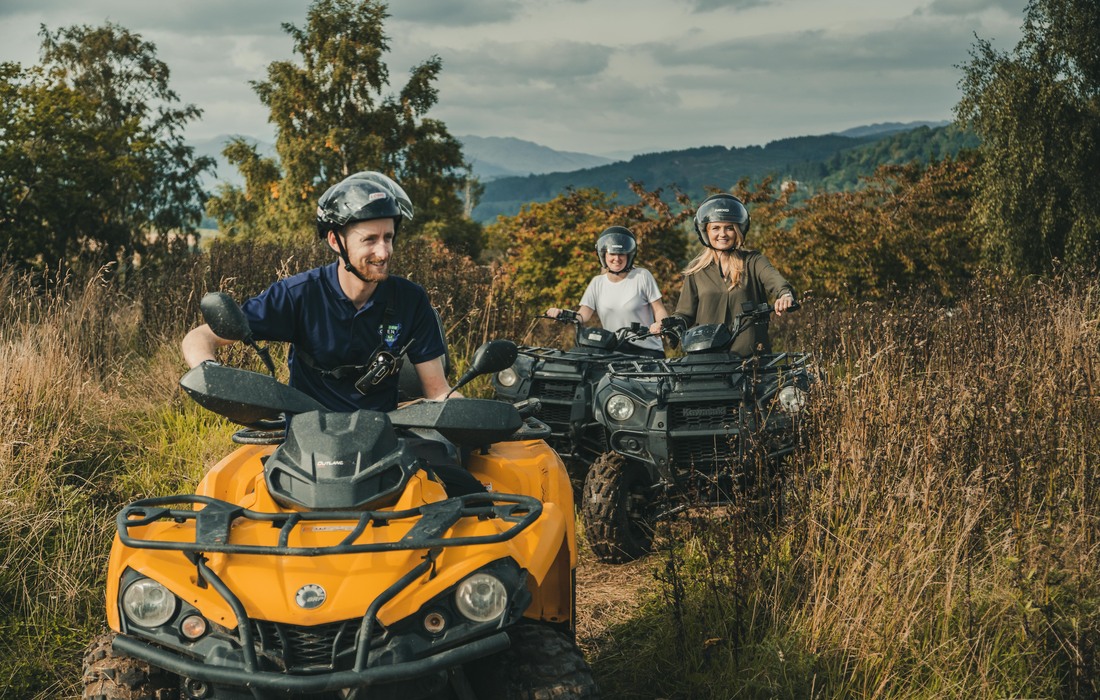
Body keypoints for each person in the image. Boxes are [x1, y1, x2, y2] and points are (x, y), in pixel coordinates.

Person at [182, 170, 454, 413]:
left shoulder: (410, 300)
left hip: (384, 440)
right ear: (336, 241)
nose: (383, 252)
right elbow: (199, 336)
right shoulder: (299, 295)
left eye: (388, 238)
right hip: (308, 442)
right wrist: (210, 372)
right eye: (369, 239)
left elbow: (438, 392)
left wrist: (475, 418)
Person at [649, 193, 796, 355]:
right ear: (705, 231)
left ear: (739, 230)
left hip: (750, 358)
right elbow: (685, 314)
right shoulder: (696, 270)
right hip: (707, 358)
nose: (723, 234)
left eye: (729, 227)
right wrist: (668, 324)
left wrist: (785, 295)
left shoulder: (753, 261)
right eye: (716, 228)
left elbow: (775, 280)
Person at [545, 226, 669, 358]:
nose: (617, 258)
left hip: (646, 350)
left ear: (629, 255)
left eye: (621, 254)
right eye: (612, 254)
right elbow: (583, 316)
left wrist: (659, 324)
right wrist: (561, 313)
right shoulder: (597, 283)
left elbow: (659, 309)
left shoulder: (642, 276)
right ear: (603, 255)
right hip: (613, 351)